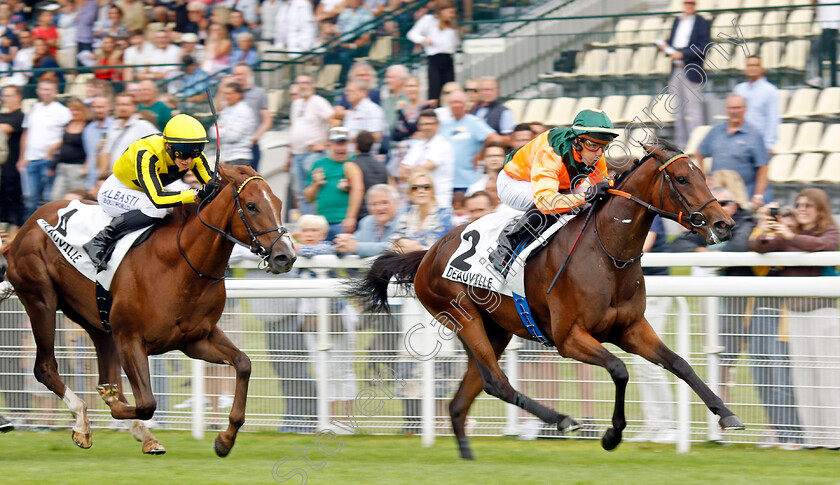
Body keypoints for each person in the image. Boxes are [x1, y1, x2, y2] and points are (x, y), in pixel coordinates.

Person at [751, 188, 840, 449]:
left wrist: (789, 235)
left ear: (820, 209)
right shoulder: (790, 235)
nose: (801, 208)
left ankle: (835, 437)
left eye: (808, 205)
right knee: (803, 378)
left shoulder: (829, 231)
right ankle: (814, 439)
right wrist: (765, 229)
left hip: (823, 314)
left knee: (828, 377)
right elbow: (758, 248)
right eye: (799, 204)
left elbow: (824, 246)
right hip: (797, 316)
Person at [489, 108, 619, 275]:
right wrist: (586, 196)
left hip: (557, 186)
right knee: (553, 205)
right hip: (515, 182)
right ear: (577, 141)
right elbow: (546, 202)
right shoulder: (551, 151)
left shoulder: (595, 154)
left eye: (603, 146)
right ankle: (507, 243)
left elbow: (602, 188)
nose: (599, 153)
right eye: (593, 146)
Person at [83, 114, 216, 271]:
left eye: (194, 153)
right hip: (117, 189)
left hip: (145, 191)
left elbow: (213, 187)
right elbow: (158, 199)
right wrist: (195, 194)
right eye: (182, 153)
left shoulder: (194, 157)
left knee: (180, 208)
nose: (188, 160)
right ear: (167, 146)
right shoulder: (147, 153)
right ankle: (100, 240)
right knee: (156, 210)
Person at [630, 215, 676, 443]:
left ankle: (667, 425)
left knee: (648, 360)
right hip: (639, 291)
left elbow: (643, 246)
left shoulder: (650, 214)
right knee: (641, 362)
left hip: (655, 289)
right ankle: (654, 424)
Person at [696, 94, 770, 208]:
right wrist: (703, 180)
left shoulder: (754, 135)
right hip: (719, 198)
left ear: (745, 110)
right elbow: (699, 152)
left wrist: (758, 195)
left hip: (743, 198)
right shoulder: (716, 131)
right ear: (726, 110)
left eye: (738, 108)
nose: (734, 111)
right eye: (731, 108)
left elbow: (763, 167)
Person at [657, 0, 711, 149]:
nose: (689, 5)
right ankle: (681, 147)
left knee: (693, 111)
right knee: (678, 112)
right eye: (687, 2)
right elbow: (674, 42)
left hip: (691, 69)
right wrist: (665, 46)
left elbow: (704, 47)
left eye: (691, 3)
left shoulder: (702, 23)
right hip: (676, 69)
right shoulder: (677, 20)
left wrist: (682, 54)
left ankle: (697, 146)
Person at [18, 79, 73, 219]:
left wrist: (53, 149)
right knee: (30, 199)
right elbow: (26, 133)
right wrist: (22, 157)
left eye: (49, 89)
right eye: (43, 89)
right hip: (31, 159)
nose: (45, 92)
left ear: (55, 91)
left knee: (48, 199)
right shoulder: (34, 108)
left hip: (50, 160)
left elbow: (69, 134)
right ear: (37, 91)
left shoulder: (63, 111)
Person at [303, 126, 365, 239]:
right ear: (329, 144)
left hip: (343, 223)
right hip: (321, 224)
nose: (341, 147)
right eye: (337, 143)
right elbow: (308, 197)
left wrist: (351, 218)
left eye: (344, 143)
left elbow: (359, 189)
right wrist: (316, 184)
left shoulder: (354, 162)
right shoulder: (318, 164)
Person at [288, 74, 333, 215]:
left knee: (314, 190)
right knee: (300, 193)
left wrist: (326, 146)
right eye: (300, 82)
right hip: (297, 154)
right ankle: (306, 224)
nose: (303, 85)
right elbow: (293, 126)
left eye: (306, 82)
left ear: (312, 85)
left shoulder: (318, 101)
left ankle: (316, 224)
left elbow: (334, 121)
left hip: (313, 154)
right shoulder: (296, 103)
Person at [439, 90, 498, 195]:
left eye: (458, 102)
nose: (455, 105)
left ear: (465, 104)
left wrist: (480, 154)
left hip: (469, 182)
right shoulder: (444, 125)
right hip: (447, 182)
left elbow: (493, 138)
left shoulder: (474, 122)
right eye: (452, 102)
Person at [398, 109, 455, 208]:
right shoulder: (417, 145)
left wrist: (411, 171)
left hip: (439, 202)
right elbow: (401, 172)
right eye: (423, 124)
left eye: (429, 124)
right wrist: (416, 171)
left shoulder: (443, 145)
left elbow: (424, 168)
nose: (426, 127)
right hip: (418, 202)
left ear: (437, 125)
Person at [407, 0, 458, 103]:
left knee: (449, 90)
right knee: (435, 90)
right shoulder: (428, 20)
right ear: (442, 11)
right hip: (435, 59)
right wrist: (424, 40)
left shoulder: (451, 25)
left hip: (448, 60)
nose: (452, 15)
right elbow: (412, 34)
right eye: (450, 12)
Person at [389, 170, 452, 252]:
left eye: (426, 187)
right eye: (414, 188)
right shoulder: (407, 213)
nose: (421, 191)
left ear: (432, 191)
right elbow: (392, 244)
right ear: (410, 193)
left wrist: (417, 248)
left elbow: (443, 249)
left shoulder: (444, 215)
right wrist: (403, 243)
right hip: (407, 261)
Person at [334, 184, 399, 257]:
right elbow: (352, 246)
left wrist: (357, 247)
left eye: (384, 202)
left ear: (396, 203)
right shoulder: (367, 222)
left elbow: (396, 247)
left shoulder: (404, 220)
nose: (379, 208)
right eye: (374, 204)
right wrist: (342, 244)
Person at [99, 92, 158, 174]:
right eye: (119, 104)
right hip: (113, 176)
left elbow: (159, 144)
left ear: (134, 107)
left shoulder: (143, 125)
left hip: (132, 176)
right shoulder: (113, 127)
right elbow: (106, 153)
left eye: (126, 105)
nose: (122, 108)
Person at [734, 56, 780, 155]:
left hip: (760, 142)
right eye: (749, 65)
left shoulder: (770, 90)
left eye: (755, 65)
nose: (752, 68)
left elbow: (773, 119)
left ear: (762, 69)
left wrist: (769, 144)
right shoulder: (739, 89)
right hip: (740, 141)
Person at [231, 63, 273, 171]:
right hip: (232, 146)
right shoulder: (229, 93)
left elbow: (267, 120)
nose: (238, 77)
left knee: (251, 181)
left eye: (241, 74)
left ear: (249, 74)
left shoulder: (259, 93)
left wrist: (256, 137)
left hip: (250, 145)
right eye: (236, 74)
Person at [50, 98, 89, 202]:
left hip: (77, 166)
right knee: (56, 197)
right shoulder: (69, 123)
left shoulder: (88, 125)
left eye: (77, 110)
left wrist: (86, 165)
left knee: (75, 198)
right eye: (71, 110)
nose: (74, 113)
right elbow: (64, 144)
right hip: (62, 165)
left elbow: (90, 148)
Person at [0, 86, 26, 229]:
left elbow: (8, 129)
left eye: (8, 95)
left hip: (13, 166)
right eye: (3, 95)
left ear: (18, 97)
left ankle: (18, 229)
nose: (4, 99)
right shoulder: (2, 116)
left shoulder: (20, 116)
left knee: (14, 199)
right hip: (1, 167)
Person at [214, 82, 258, 166]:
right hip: (226, 157)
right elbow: (212, 132)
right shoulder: (226, 110)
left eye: (229, 93)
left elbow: (233, 136)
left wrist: (221, 130)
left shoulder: (244, 110)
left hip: (240, 158)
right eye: (225, 94)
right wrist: (225, 130)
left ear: (239, 94)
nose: (226, 96)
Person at [351, 131, 387, 220]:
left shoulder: (353, 165)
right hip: (378, 213)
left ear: (356, 145)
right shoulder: (381, 166)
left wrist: (350, 217)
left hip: (360, 215)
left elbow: (357, 189)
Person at [472, 76, 515, 141]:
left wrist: (489, 138)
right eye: (484, 90)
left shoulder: (504, 112)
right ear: (478, 92)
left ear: (497, 91)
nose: (487, 93)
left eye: (490, 90)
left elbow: (509, 139)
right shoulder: (473, 109)